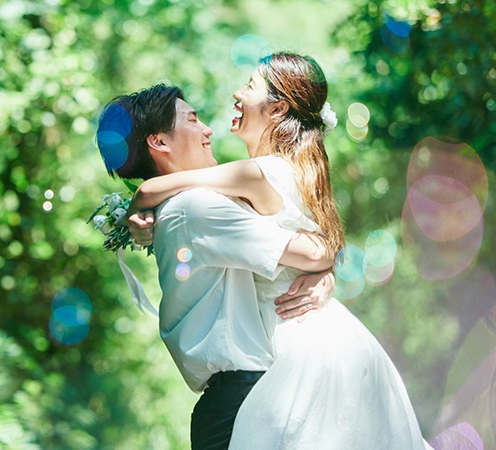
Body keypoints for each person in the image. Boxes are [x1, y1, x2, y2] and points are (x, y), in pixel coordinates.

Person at [127, 52, 431, 449]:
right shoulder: (288, 168)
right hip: (314, 334)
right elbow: (320, 243)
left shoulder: (258, 172)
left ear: (277, 108)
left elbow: (318, 251)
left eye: (250, 86)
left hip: (299, 342)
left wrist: (143, 195)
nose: (237, 94)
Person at [96, 84, 337, 449]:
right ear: (159, 141)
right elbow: (314, 253)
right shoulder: (196, 209)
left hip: (244, 397)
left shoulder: (183, 206)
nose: (207, 129)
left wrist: (323, 275)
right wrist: (324, 266)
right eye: (192, 119)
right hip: (238, 404)